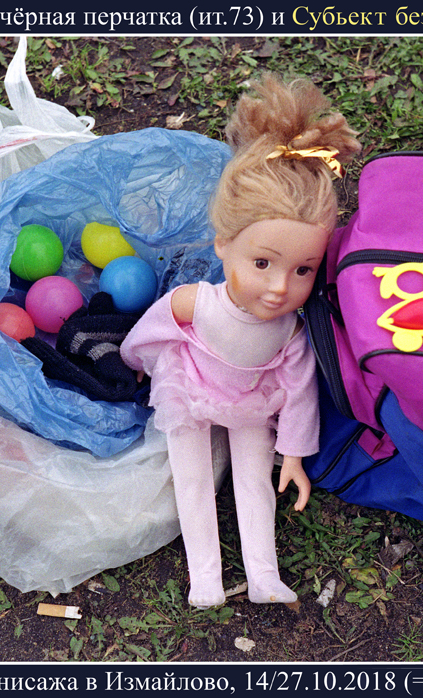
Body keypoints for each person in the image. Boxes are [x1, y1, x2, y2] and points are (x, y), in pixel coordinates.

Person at [120, 73, 361, 608]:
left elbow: (298, 388)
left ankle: (264, 575)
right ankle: (204, 578)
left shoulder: (291, 329)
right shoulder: (196, 303)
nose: (280, 288)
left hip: (254, 400)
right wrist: (133, 361)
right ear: (224, 245)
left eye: (303, 270)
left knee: (256, 483)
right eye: (262, 263)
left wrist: (293, 453)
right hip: (190, 389)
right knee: (192, 481)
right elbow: (152, 329)